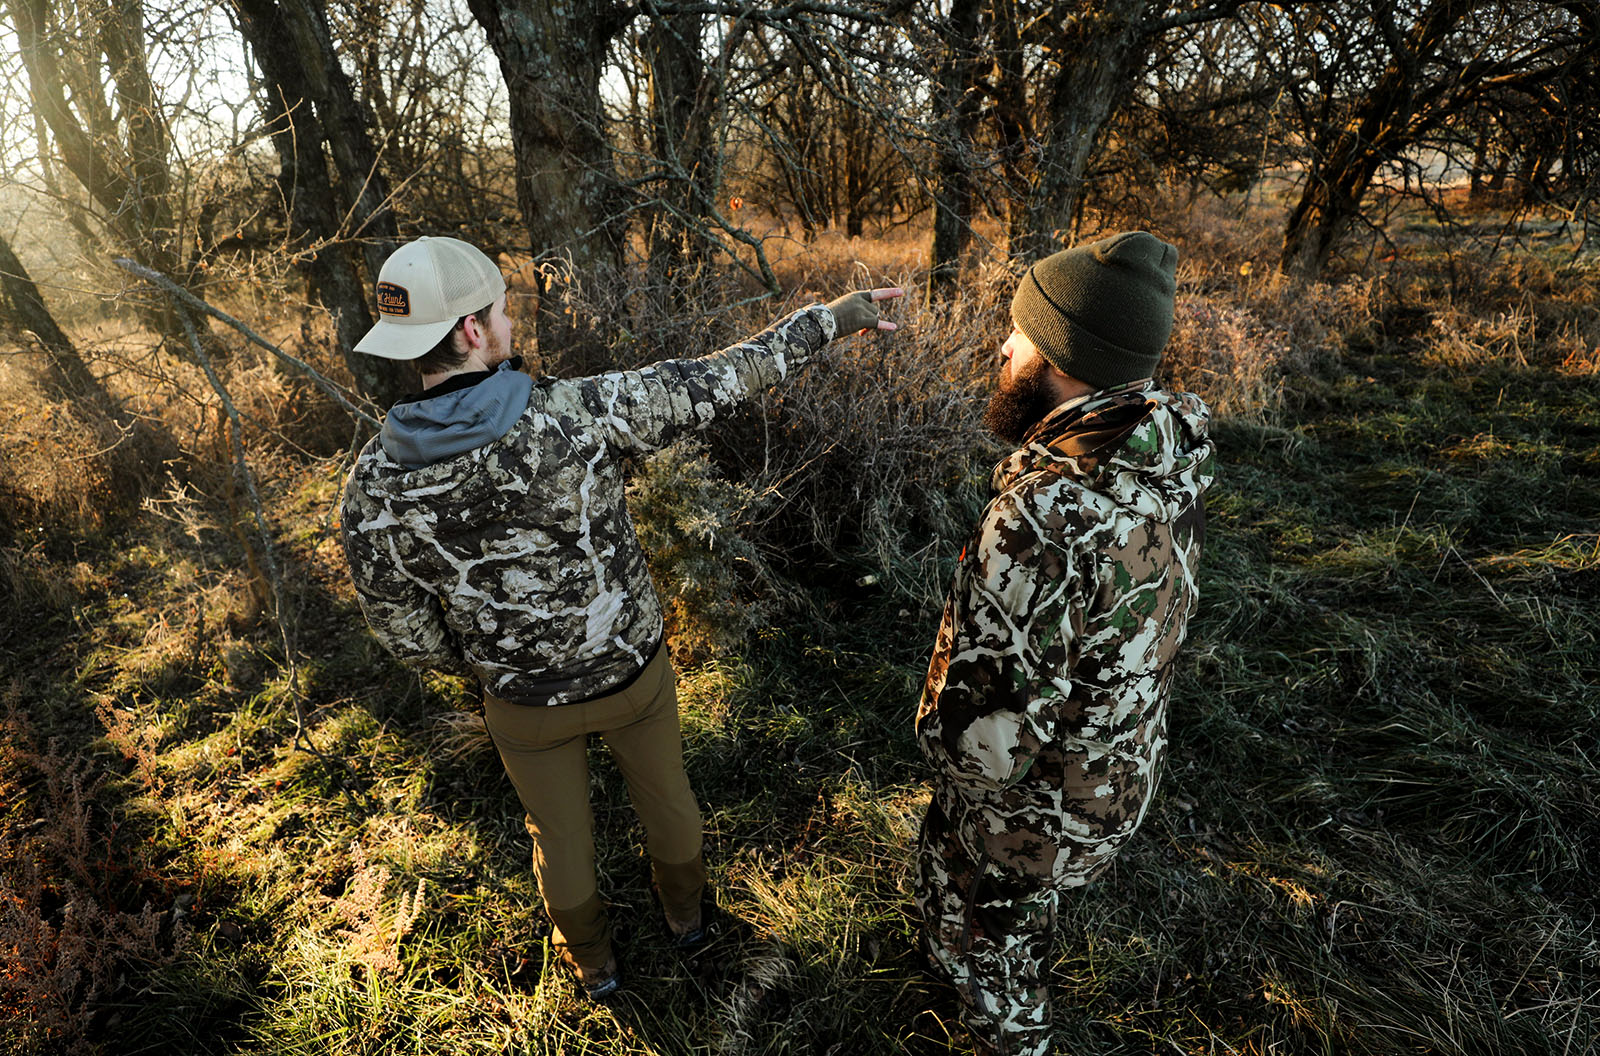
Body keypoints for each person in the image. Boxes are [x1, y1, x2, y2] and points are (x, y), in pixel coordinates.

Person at [339, 235, 901, 999]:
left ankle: (595, 967)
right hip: (629, 674)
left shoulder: (372, 482)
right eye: (501, 311)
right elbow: (720, 379)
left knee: (558, 837)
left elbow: (399, 624)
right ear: (472, 331)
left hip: (520, 702)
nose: (510, 322)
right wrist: (831, 320)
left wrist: (481, 667)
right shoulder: (577, 414)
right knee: (668, 798)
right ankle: (688, 922)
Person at [914, 231, 1215, 1055]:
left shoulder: (1047, 514)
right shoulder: (1167, 454)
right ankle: (947, 952)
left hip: (1041, 808)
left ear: (1055, 354)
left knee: (999, 947)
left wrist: (945, 767)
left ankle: (1004, 1022)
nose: (1002, 346)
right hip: (1122, 770)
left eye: (1016, 334)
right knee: (964, 875)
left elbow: (988, 728)